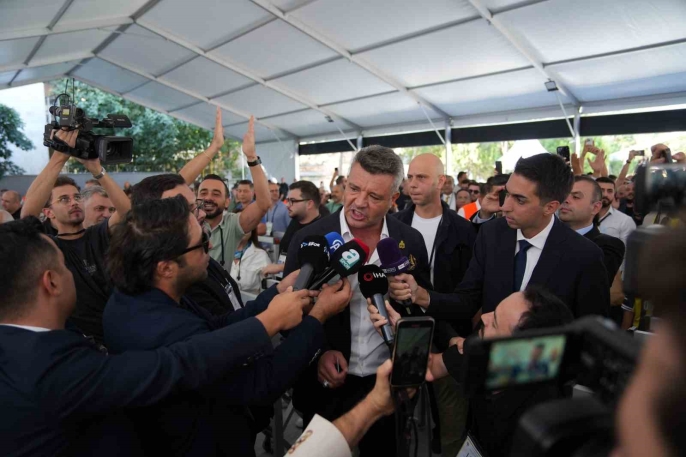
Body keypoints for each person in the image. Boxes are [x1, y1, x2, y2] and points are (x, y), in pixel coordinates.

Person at [0, 217, 305, 457]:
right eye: (65, 266)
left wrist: (272, 301)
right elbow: (176, 363)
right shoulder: (48, 370)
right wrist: (271, 321)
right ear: (51, 282)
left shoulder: (32, 341)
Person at [102, 196, 353, 457]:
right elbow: (260, 383)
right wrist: (318, 316)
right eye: (201, 243)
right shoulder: (161, 328)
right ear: (166, 268)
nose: (210, 245)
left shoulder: (146, 294)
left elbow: (217, 328)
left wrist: (277, 292)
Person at [284, 145, 432, 457]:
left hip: (386, 384)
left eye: (374, 196)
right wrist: (318, 353)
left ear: (394, 199)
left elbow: (420, 310)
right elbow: (286, 316)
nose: (359, 202)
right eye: (353, 188)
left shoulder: (410, 241)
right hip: (325, 386)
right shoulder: (309, 239)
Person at [389, 153, 610, 320]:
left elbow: (590, 336)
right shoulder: (492, 234)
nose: (505, 206)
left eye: (520, 200)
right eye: (507, 194)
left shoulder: (584, 256)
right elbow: (467, 300)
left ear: (550, 207)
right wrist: (420, 295)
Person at [369, 286, 574, 457]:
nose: (484, 317)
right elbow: (430, 368)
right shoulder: (480, 348)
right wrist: (400, 333)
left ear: (518, 354)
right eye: (493, 311)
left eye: (495, 322)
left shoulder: (541, 423)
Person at [393, 153, 477, 456]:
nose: (413, 184)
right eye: (409, 177)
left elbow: (469, 293)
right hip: (404, 329)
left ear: (441, 182)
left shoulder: (463, 230)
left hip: (451, 334)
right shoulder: (394, 225)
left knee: (451, 415)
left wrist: (454, 334)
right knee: (399, 412)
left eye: (421, 177)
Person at [20, 130, 131, 344]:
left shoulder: (98, 234)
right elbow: (27, 217)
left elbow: (127, 212)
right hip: (81, 342)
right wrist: (59, 157)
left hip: (123, 332)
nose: (74, 202)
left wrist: (96, 169)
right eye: (64, 199)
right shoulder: (49, 247)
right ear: (49, 212)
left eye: (77, 197)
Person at [198, 116, 270, 271]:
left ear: (227, 201)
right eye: (203, 192)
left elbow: (263, 204)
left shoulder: (231, 224)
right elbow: (177, 182)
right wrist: (214, 148)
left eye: (216, 194)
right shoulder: (184, 222)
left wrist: (251, 157)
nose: (208, 198)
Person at [558, 176, 625, 285]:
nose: (566, 200)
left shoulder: (607, 246)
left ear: (595, 207)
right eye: (564, 195)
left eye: (575, 197)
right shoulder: (547, 236)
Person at [595, 177, 637, 249]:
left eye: (610, 191)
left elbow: (628, 251)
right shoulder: (581, 216)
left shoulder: (625, 221)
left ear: (614, 193)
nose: (605, 194)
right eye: (601, 190)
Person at [231, 228, 270, 295]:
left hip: (250, 300)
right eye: (240, 225)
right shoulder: (220, 251)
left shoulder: (261, 255)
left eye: (247, 225)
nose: (243, 229)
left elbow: (269, 289)